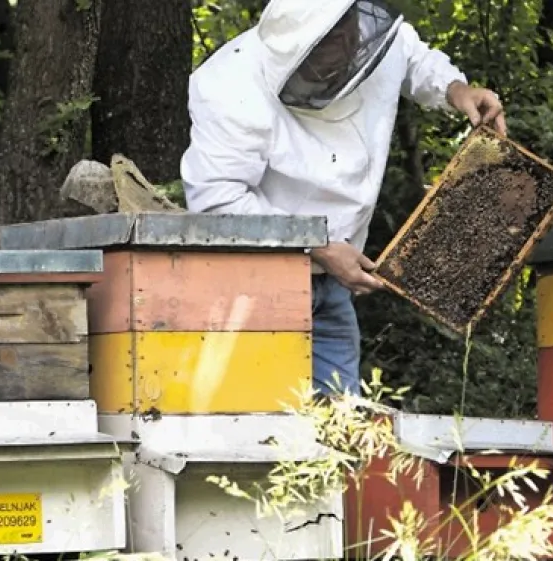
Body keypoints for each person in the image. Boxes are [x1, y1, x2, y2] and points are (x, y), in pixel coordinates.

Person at [180, 0, 507, 399]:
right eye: (324, 56)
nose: (344, 52)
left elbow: (413, 56)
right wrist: (319, 246)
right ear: (300, 52)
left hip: (332, 286)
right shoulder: (228, 86)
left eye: (349, 35)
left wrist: (457, 90)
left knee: (338, 429)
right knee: (258, 423)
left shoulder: (371, 42)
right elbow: (217, 201)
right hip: (253, 286)